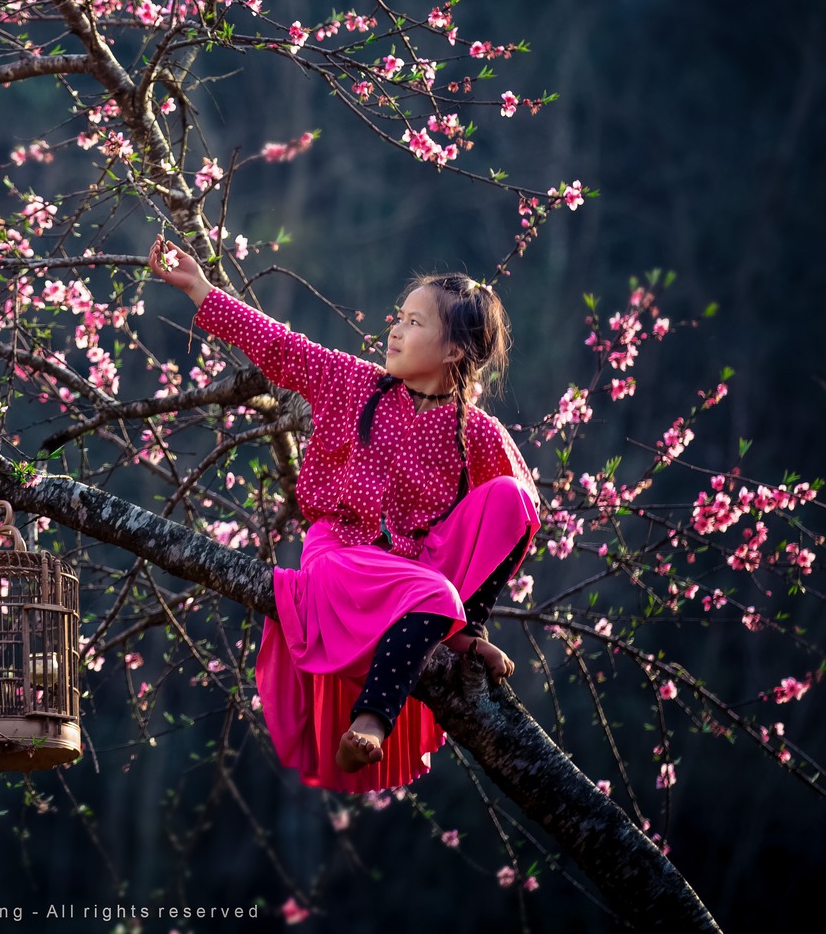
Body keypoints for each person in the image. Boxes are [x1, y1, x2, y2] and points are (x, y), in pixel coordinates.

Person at [148, 236, 540, 792]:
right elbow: (282, 348)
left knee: (514, 497)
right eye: (398, 318)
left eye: (414, 322)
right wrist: (200, 289)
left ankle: (461, 634)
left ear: (454, 352)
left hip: (422, 569)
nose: (396, 331)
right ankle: (372, 717)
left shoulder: (474, 432)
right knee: (433, 596)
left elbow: (511, 525)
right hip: (344, 554)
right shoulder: (356, 385)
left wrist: (467, 614)